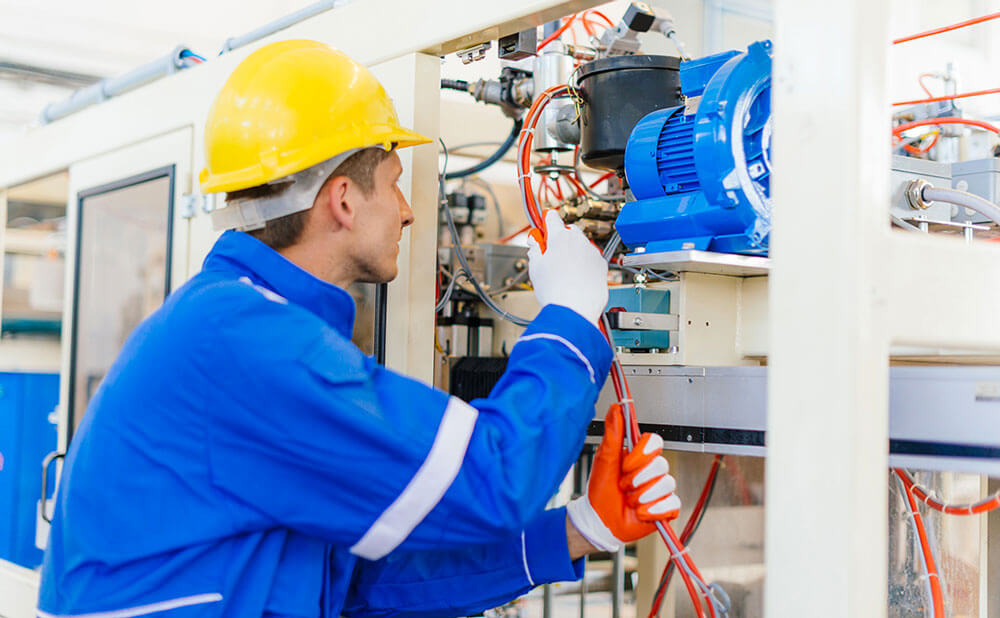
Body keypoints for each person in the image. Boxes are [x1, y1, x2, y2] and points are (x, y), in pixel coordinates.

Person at [37, 40, 681, 618]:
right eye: (396, 185)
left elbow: (349, 584)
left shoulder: (239, 322)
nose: (407, 212)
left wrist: (580, 530)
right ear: (343, 199)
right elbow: (496, 476)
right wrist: (566, 322)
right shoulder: (245, 343)